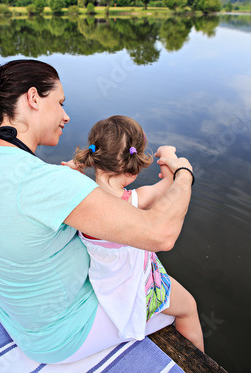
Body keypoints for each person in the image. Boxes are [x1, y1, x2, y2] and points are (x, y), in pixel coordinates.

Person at [0, 58, 198, 365]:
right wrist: (183, 173)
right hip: (60, 334)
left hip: (17, 316)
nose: (66, 116)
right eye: (60, 103)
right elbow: (161, 234)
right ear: (34, 98)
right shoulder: (45, 181)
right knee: (187, 306)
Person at [62, 115, 204, 351]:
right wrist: (168, 155)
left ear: (95, 158)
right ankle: (200, 364)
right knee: (189, 307)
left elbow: (71, 173)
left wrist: (75, 169)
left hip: (105, 285)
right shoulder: (136, 200)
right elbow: (171, 182)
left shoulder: (80, 197)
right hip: (138, 289)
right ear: (133, 168)